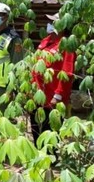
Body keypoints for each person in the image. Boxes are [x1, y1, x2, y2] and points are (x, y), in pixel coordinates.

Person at [30, 13, 76, 144]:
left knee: (50, 130)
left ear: (63, 26)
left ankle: (50, 159)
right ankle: (37, 155)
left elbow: (67, 72)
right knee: (35, 127)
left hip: (52, 96)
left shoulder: (66, 45)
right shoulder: (46, 41)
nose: (50, 25)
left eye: (54, 22)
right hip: (37, 93)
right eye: (51, 22)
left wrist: (58, 96)